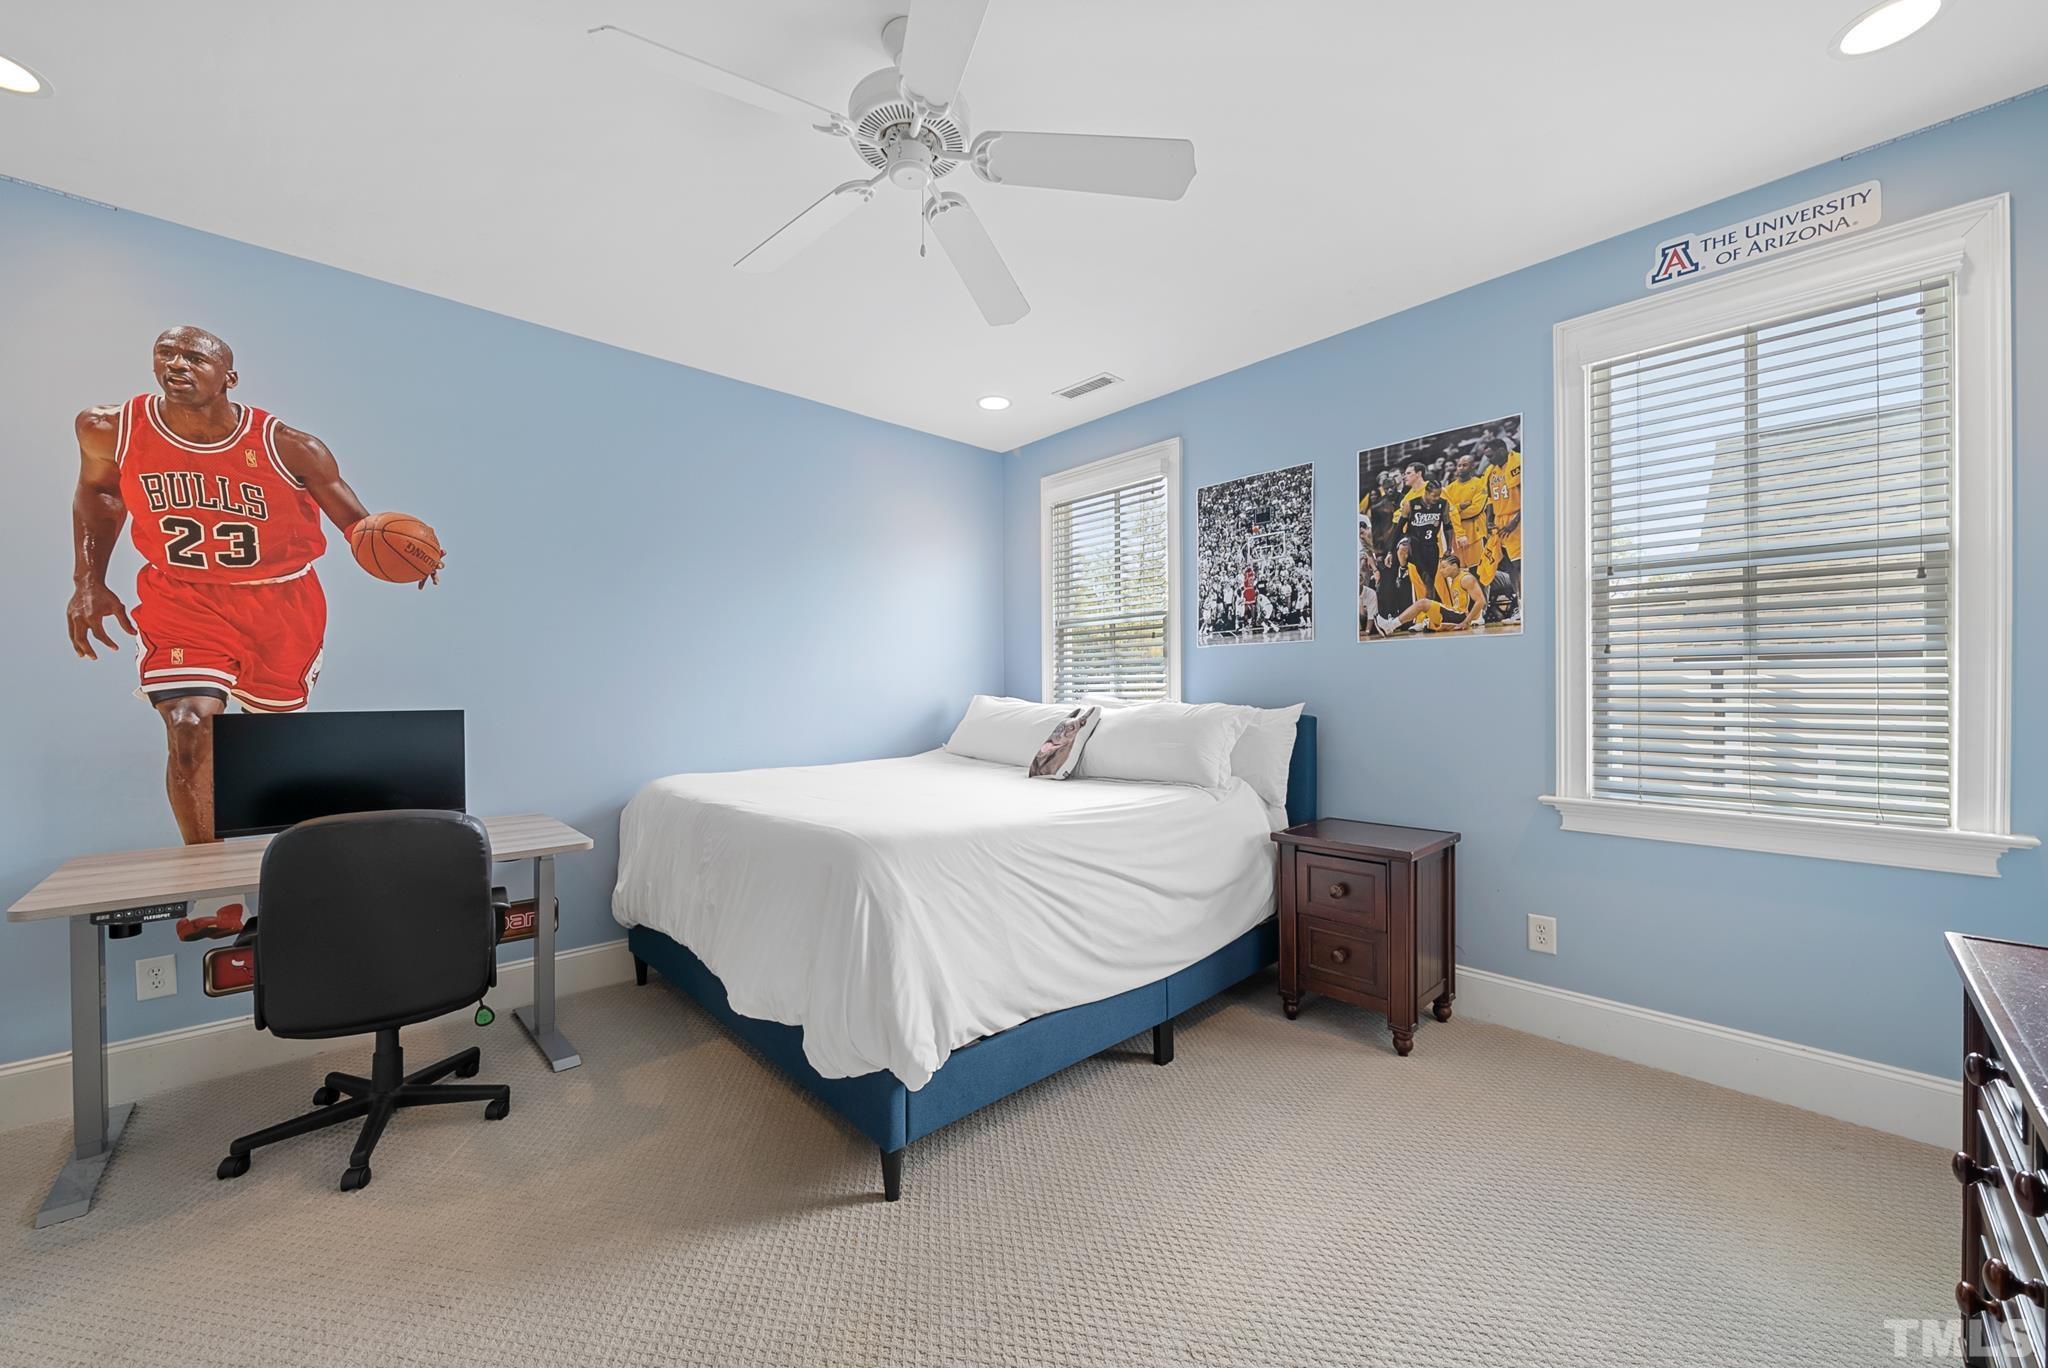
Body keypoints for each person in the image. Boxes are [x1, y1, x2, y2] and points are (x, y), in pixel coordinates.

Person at [66, 326, 440, 864]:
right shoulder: (110, 428)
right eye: (166, 354)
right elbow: (99, 492)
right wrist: (88, 581)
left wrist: (412, 554)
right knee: (189, 726)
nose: (177, 364)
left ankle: (285, 869)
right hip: (183, 598)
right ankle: (207, 878)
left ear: (229, 377)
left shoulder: (289, 447)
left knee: (269, 750)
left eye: (194, 357)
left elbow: (360, 526)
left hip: (279, 603)